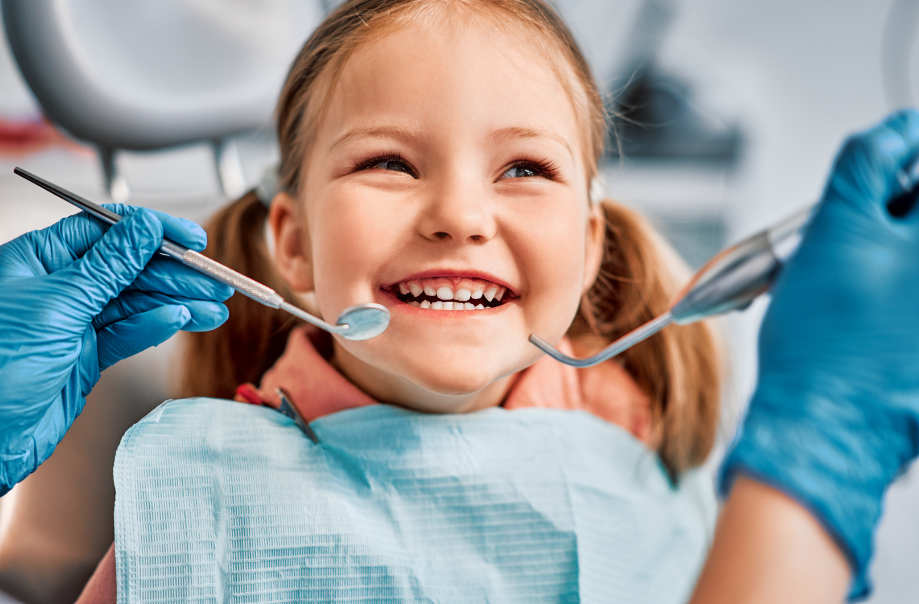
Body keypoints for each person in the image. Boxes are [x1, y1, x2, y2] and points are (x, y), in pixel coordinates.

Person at [0, 1, 915, 602]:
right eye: (389, 162)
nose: (459, 215)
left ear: (588, 245)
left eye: (524, 168)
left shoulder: (643, 480)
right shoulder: (195, 498)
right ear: (293, 245)